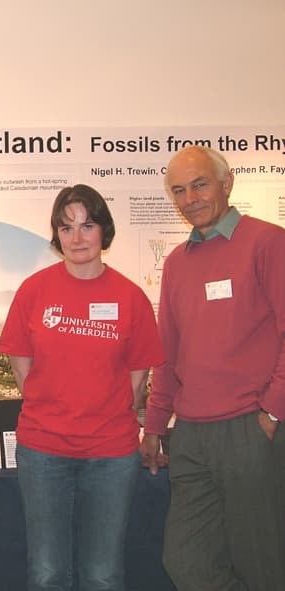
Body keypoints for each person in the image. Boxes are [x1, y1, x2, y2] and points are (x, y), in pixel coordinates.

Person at [0, 184, 163, 591]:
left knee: (103, 575)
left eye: (87, 225)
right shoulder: (34, 291)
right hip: (43, 451)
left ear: (104, 230)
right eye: (66, 227)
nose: (77, 237)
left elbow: (138, 375)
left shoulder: (130, 297)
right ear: (57, 235)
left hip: (111, 453)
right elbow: (21, 362)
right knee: (47, 572)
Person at [141, 146, 285, 590]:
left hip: (250, 427)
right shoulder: (177, 262)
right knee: (187, 561)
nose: (191, 199)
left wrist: (273, 412)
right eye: (179, 191)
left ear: (227, 183)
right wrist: (155, 422)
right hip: (191, 435)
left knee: (261, 563)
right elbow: (168, 348)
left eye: (200, 185)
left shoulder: (268, 242)